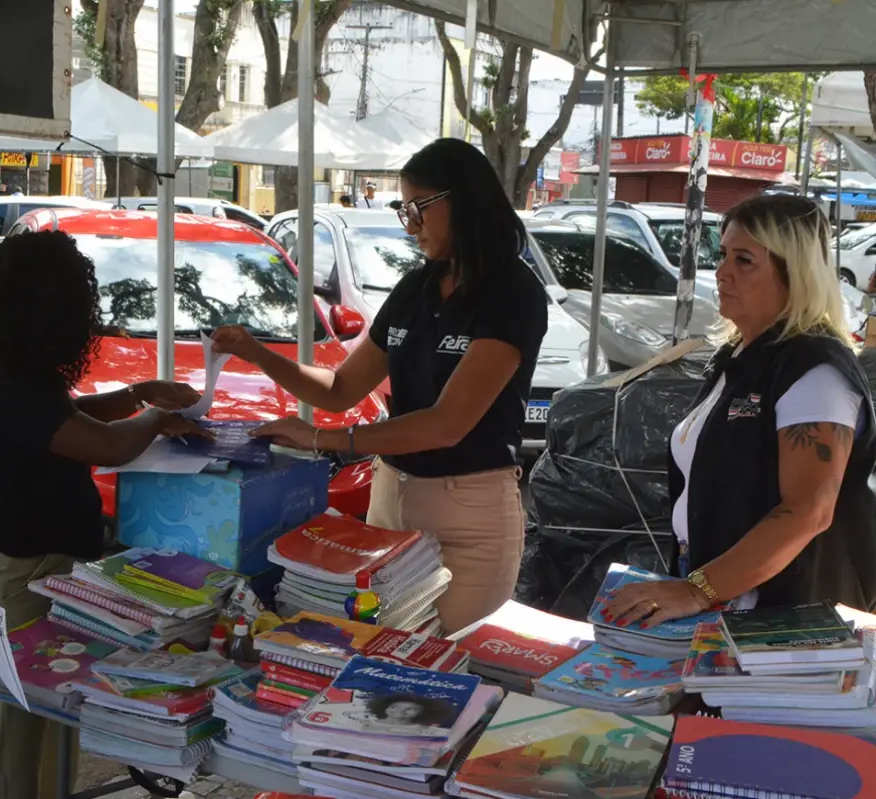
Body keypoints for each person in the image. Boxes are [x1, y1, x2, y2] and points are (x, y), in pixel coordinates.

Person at [212, 138, 548, 634]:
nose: (409, 224)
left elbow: (446, 424)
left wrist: (324, 440)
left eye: (418, 208)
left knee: (440, 670)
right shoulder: (416, 288)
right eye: (402, 210)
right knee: (370, 654)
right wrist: (256, 353)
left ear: (466, 200)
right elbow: (340, 388)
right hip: (390, 501)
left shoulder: (513, 293)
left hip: (468, 517)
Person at [0, 230, 211, 799]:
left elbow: (72, 418)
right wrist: (155, 420)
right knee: (15, 737)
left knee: (47, 727)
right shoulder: (12, 387)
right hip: (22, 578)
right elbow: (105, 446)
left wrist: (139, 394)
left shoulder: (11, 378)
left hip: (32, 568)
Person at [604, 194, 876, 627]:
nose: (723, 272)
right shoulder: (740, 357)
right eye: (724, 254)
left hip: (789, 623)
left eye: (745, 260)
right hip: (725, 601)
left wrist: (697, 590)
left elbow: (809, 510)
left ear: (795, 273)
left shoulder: (814, 370)